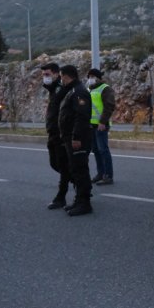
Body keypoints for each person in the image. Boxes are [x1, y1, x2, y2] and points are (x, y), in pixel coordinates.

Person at [58, 65, 93, 216]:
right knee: (75, 169)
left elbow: (82, 116)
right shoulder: (72, 91)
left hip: (78, 139)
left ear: (66, 76)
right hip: (69, 138)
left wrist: (76, 137)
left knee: (80, 170)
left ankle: (84, 203)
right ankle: (78, 200)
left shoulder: (79, 92)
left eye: (61, 77)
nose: (61, 80)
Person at [40, 63, 72, 210]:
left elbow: (63, 112)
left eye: (47, 75)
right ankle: (79, 182)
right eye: (43, 75)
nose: (44, 77)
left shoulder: (60, 89)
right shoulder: (53, 89)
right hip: (53, 132)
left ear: (56, 74)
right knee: (55, 164)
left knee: (63, 165)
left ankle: (61, 197)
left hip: (60, 133)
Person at [87, 68, 116, 185]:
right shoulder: (90, 90)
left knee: (103, 150)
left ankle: (108, 176)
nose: (90, 79)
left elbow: (109, 106)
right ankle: (100, 173)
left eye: (92, 77)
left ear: (98, 78)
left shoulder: (105, 89)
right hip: (92, 125)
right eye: (89, 77)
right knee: (96, 150)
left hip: (101, 125)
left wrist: (103, 122)